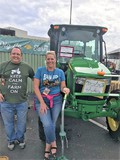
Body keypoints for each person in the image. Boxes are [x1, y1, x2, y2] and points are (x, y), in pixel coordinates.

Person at [34, 51, 70, 160]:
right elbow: (36, 87)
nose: (50, 61)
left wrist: (65, 89)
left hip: (56, 101)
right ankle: (52, 143)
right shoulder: (40, 70)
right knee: (47, 125)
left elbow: (62, 87)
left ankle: (48, 145)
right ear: (46, 60)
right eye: (48, 59)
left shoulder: (60, 72)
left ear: (55, 60)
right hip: (42, 100)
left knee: (52, 124)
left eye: (52, 59)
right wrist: (42, 103)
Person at [0, 47, 34, 150]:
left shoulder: (27, 67)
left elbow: (35, 79)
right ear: (10, 54)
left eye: (18, 54)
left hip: (22, 102)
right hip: (6, 102)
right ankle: (11, 140)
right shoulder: (2, 66)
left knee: (22, 124)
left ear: (21, 56)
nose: (15, 56)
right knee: (8, 123)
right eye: (14, 53)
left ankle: (20, 139)